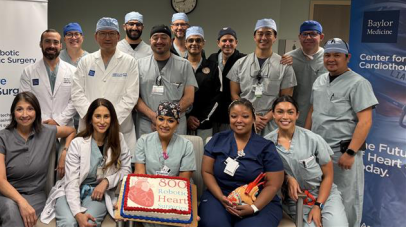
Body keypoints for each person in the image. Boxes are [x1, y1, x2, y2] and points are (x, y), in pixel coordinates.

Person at [305, 38, 378, 227]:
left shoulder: (358, 83)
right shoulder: (320, 80)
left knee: (347, 198)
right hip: (318, 152)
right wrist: (304, 141)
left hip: (343, 154)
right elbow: (313, 112)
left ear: (347, 57)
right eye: (328, 55)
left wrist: (351, 152)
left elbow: (365, 121)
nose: (331, 59)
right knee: (321, 197)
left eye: (337, 55)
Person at [0, 92, 76, 227]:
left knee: (15, 212)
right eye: (19, 109)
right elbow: (0, 182)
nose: (25, 114)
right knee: (10, 207)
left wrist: (64, 153)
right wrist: (22, 202)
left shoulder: (47, 132)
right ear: (13, 113)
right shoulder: (0, 138)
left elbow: (71, 130)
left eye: (30, 109)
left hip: (34, 196)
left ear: (37, 112)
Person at [40, 98, 132, 227]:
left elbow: (126, 169)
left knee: (89, 223)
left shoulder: (119, 139)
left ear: (112, 119)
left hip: (97, 194)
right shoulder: (78, 143)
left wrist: (107, 181)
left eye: (106, 116)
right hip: (70, 191)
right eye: (97, 116)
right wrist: (78, 214)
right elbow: (71, 181)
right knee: (68, 222)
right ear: (90, 119)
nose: (102, 121)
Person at [198, 98, 284, 227]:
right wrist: (221, 197)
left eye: (245, 116)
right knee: (213, 223)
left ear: (254, 118)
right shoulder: (217, 140)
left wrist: (254, 207)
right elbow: (206, 171)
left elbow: (273, 184)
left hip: (257, 199)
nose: (239, 120)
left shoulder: (265, 146)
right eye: (234, 116)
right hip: (220, 195)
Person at [265, 96, 348, 227]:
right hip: (295, 200)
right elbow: (268, 174)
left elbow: (328, 175)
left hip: (324, 195)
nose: (285, 117)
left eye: (290, 112)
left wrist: (318, 205)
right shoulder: (267, 144)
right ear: (273, 114)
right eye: (280, 112)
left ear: (297, 115)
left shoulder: (313, 139)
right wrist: (287, 178)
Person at [71, 17, 139, 155]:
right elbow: (77, 93)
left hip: (120, 126)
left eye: (111, 33)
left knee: (119, 170)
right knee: (88, 170)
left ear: (118, 36)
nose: (107, 37)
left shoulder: (130, 62)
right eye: (102, 33)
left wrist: (111, 119)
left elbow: (131, 96)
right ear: (96, 36)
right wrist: (93, 117)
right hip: (89, 126)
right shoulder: (86, 62)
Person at [20, 28, 77, 178]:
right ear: (41, 44)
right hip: (39, 127)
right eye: (47, 41)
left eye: (55, 42)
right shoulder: (29, 72)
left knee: (64, 172)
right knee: (41, 173)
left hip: (65, 129)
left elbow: (75, 99)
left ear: (60, 46)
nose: (51, 45)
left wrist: (57, 121)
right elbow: (26, 101)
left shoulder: (72, 71)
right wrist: (45, 122)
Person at [228, 18, 297, 136]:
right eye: (260, 34)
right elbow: (234, 94)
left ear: (274, 37)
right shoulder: (240, 64)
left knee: (271, 151)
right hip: (245, 120)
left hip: (273, 122)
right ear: (254, 37)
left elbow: (286, 98)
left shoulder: (284, 66)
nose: (264, 37)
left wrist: (266, 118)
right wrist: (250, 116)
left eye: (268, 34)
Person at [133, 101, 196, 227]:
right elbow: (139, 175)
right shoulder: (143, 141)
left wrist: (166, 203)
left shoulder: (186, 145)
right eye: (161, 119)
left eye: (170, 120)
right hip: (148, 194)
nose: (164, 125)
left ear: (177, 124)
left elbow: (183, 182)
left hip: (175, 197)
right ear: (155, 120)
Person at [136, 24, 198, 136]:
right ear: (150, 41)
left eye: (164, 38)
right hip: (147, 123)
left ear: (171, 41)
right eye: (155, 38)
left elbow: (189, 97)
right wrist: (153, 117)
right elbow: (134, 96)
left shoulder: (184, 65)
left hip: (175, 124)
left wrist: (166, 119)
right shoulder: (139, 65)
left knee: (175, 153)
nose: (159, 41)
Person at [285, 21, 327, 127]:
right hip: (293, 117)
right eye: (305, 34)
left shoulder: (329, 59)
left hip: (321, 118)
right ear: (299, 37)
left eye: (313, 34)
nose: (308, 37)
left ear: (321, 36)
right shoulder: (288, 59)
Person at [207, 27, 247, 133]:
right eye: (224, 40)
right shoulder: (212, 59)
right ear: (218, 43)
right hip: (213, 114)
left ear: (236, 42)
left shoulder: (243, 60)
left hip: (233, 113)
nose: (227, 43)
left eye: (231, 40)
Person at [185, 26, 221, 142]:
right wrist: (185, 118)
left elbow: (217, 96)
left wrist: (201, 119)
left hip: (205, 124)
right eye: (191, 40)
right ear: (185, 43)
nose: (194, 43)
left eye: (198, 40)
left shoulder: (213, 67)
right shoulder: (178, 65)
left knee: (203, 157)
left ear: (203, 43)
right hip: (181, 124)